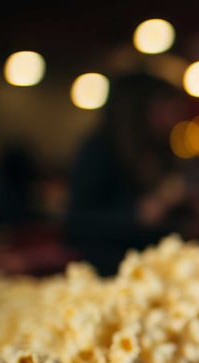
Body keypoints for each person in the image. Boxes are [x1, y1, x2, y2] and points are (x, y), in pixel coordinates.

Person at [65, 73, 191, 275]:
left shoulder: (158, 152)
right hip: (106, 267)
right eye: (167, 110)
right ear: (140, 110)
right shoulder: (100, 150)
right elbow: (78, 221)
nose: (174, 120)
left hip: (153, 269)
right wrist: (138, 213)